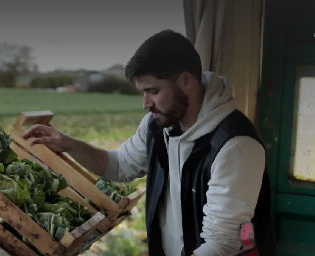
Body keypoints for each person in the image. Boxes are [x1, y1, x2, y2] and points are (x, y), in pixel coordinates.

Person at [22, 29, 276, 256]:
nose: (146, 103)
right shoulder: (157, 126)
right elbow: (119, 165)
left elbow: (222, 244)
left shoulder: (236, 145)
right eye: (143, 92)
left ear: (186, 81)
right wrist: (68, 144)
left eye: (153, 91)